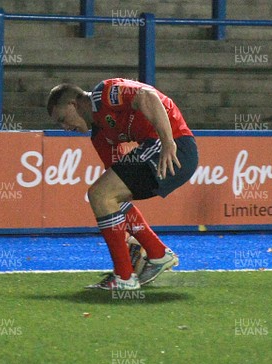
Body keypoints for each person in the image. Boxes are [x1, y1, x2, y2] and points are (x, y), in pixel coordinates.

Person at [46, 78, 198, 290]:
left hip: (174, 146)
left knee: (100, 194)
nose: (64, 127)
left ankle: (125, 278)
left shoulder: (104, 93)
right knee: (108, 196)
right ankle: (156, 254)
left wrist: (167, 141)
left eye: (62, 119)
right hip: (163, 148)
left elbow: (147, 96)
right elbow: (115, 190)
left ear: (73, 104)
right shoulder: (99, 135)